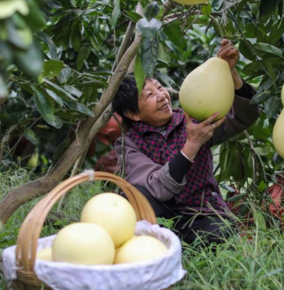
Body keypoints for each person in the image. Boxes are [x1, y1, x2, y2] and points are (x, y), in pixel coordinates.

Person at [111, 39, 260, 246]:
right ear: (132, 114)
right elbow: (157, 189)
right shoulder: (129, 145)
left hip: (203, 213)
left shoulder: (193, 120)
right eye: (150, 95)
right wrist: (192, 145)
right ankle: (160, 248)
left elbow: (246, 115)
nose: (162, 96)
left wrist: (231, 73)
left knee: (218, 234)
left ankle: (183, 248)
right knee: (131, 199)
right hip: (161, 218)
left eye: (160, 88)